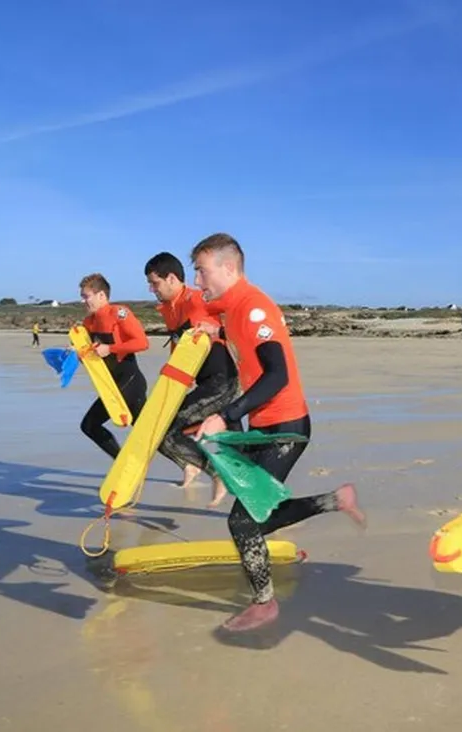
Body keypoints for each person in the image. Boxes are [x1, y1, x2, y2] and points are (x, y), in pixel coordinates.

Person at [189, 232, 365, 632]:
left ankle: (265, 604)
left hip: (285, 428)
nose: (198, 281)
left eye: (202, 271)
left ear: (228, 268)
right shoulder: (230, 307)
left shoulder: (254, 309)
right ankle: (336, 499)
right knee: (258, 513)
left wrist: (226, 414)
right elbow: (202, 307)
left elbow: (278, 375)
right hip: (264, 426)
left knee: (244, 522)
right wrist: (209, 329)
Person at [145, 252, 241, 502]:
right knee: (242, 455)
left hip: (222, 381)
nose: (151, 289)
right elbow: (179, 343)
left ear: (172, 279)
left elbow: (232, 322)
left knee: (165, 430)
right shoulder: (169, 308)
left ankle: (213, 471)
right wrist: (177, 379)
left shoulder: (197, 300)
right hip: (204, 382)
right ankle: (195, 466)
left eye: (154, 283)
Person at [78, 273, 150, 459]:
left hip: (130, 380)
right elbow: (88, 350)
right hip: (112, 383)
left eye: (87, 296)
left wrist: (110, 348)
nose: (83, 301)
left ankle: (122, 463)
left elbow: (142, 342)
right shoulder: (88, 322)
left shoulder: (118, 313)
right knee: (149, 431)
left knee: (90, 424)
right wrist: (74, 352)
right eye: (83, 296)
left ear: (101, 295)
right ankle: (190, 465)